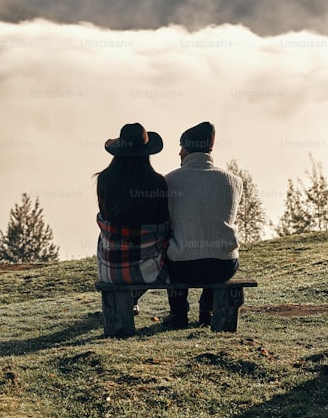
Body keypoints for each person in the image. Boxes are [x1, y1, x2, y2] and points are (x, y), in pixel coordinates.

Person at [164, 121, 242, 327]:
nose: (179, 152)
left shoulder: (169, 181)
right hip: (224, 265)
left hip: (183, 267)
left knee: (172, 256)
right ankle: (207, 310)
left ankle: (178, 313)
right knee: (213, 251)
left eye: (181, 146)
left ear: (187, 148)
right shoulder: (233, 181)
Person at [95, 123, 171, 300]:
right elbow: (164, 222)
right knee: (171, 243)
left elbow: (105, 217)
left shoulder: (104, 180)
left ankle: (129, 300)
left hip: (110, 268)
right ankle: (178, 311)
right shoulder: (157, 183)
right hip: (147, 271)